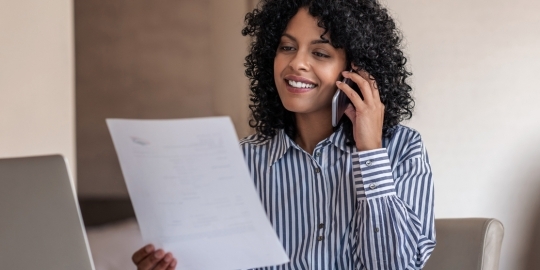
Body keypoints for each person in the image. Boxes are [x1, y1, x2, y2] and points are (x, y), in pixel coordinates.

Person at [131, 0, 435, 269]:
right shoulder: (241, 161)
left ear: (357, 71)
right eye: (287, 47)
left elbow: (397, 265)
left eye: (320, 52)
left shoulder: (402, 150)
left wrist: (369, 151)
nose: (296, 63)